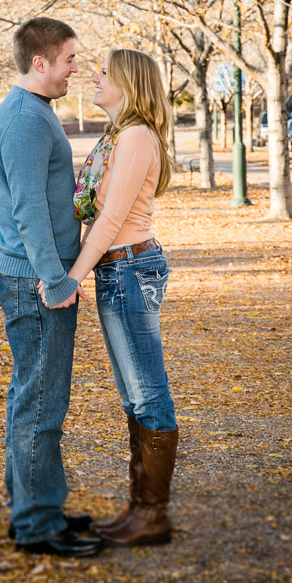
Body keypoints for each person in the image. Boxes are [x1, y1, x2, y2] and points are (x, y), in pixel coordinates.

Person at [39, 48, 178, 547]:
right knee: (133, 394)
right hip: (118, 271)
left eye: (104, 73)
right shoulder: (118, 136)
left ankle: (153, 515)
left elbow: (111, 219)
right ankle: (139, 507)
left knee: (148, 393)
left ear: (129, 84)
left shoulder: (136, 136)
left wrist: (70, 278)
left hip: (129, 269)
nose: (92, 78)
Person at [0, 17, 103, 559]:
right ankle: (36, 525)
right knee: (42, 402)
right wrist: (56, 280)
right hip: (35, 281)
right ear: (41, 63)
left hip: (31, 276)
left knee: (29, 397)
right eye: (69, 59)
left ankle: (32, 508)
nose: (74, 68)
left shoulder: (32, 112)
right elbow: (29, 209)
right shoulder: (27, 120)